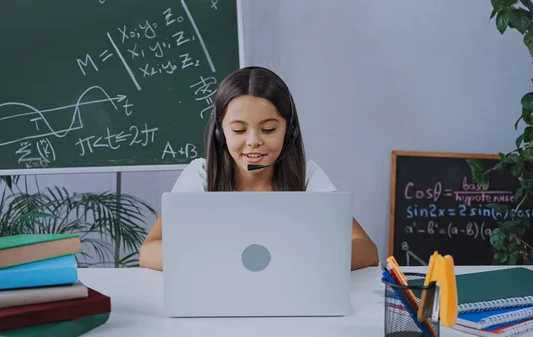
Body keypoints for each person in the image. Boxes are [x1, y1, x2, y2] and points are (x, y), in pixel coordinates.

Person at [140, 66, 378, 271]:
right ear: (220, 131)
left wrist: (295, 259)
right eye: (239, 130)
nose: (253, 141)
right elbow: (149, 251)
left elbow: (367, 250)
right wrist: (223, 259)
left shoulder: (307, 177)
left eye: (268, 129)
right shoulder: (201, 176)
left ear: (289, 130)